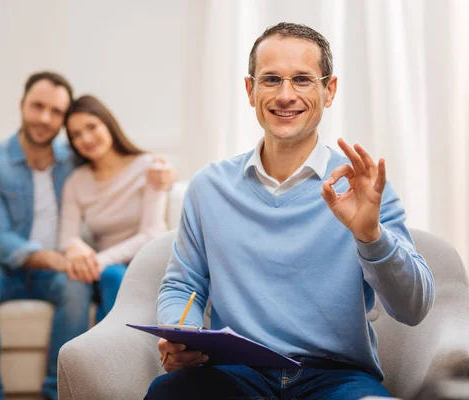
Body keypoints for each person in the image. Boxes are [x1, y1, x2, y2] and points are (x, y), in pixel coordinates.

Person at [145, 23, 435, 400]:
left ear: (328, 91)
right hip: (232, 376)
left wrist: (371, 237)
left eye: (302, 79)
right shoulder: (208, 187)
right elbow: (184, 285)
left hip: (336, 379)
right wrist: (178, 332)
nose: (285, 95)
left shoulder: (363, 188)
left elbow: (413, 308)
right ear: (250, 90)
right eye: (271, 80)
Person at [0, 71, 176, 400]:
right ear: (22, 105)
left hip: (62, 269)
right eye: (37, 106)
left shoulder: (73, 159)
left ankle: (55, 392)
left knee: (76, 285)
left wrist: (166, 175)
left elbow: (119, 170)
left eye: (55, 112)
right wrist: (65, 257)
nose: (45, 118)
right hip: (4, 264)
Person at [59, 95, 168, 322]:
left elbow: (152, 234)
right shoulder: (76, 182)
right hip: (106, 272)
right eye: (76, 135)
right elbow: (67, 238)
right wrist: (76, 248)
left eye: (91, 127)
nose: (86, 138)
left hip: (147, 263)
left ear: (107, 123)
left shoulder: (150, 168)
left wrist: (98, 261)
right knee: (110, 277)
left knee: (112, 277)